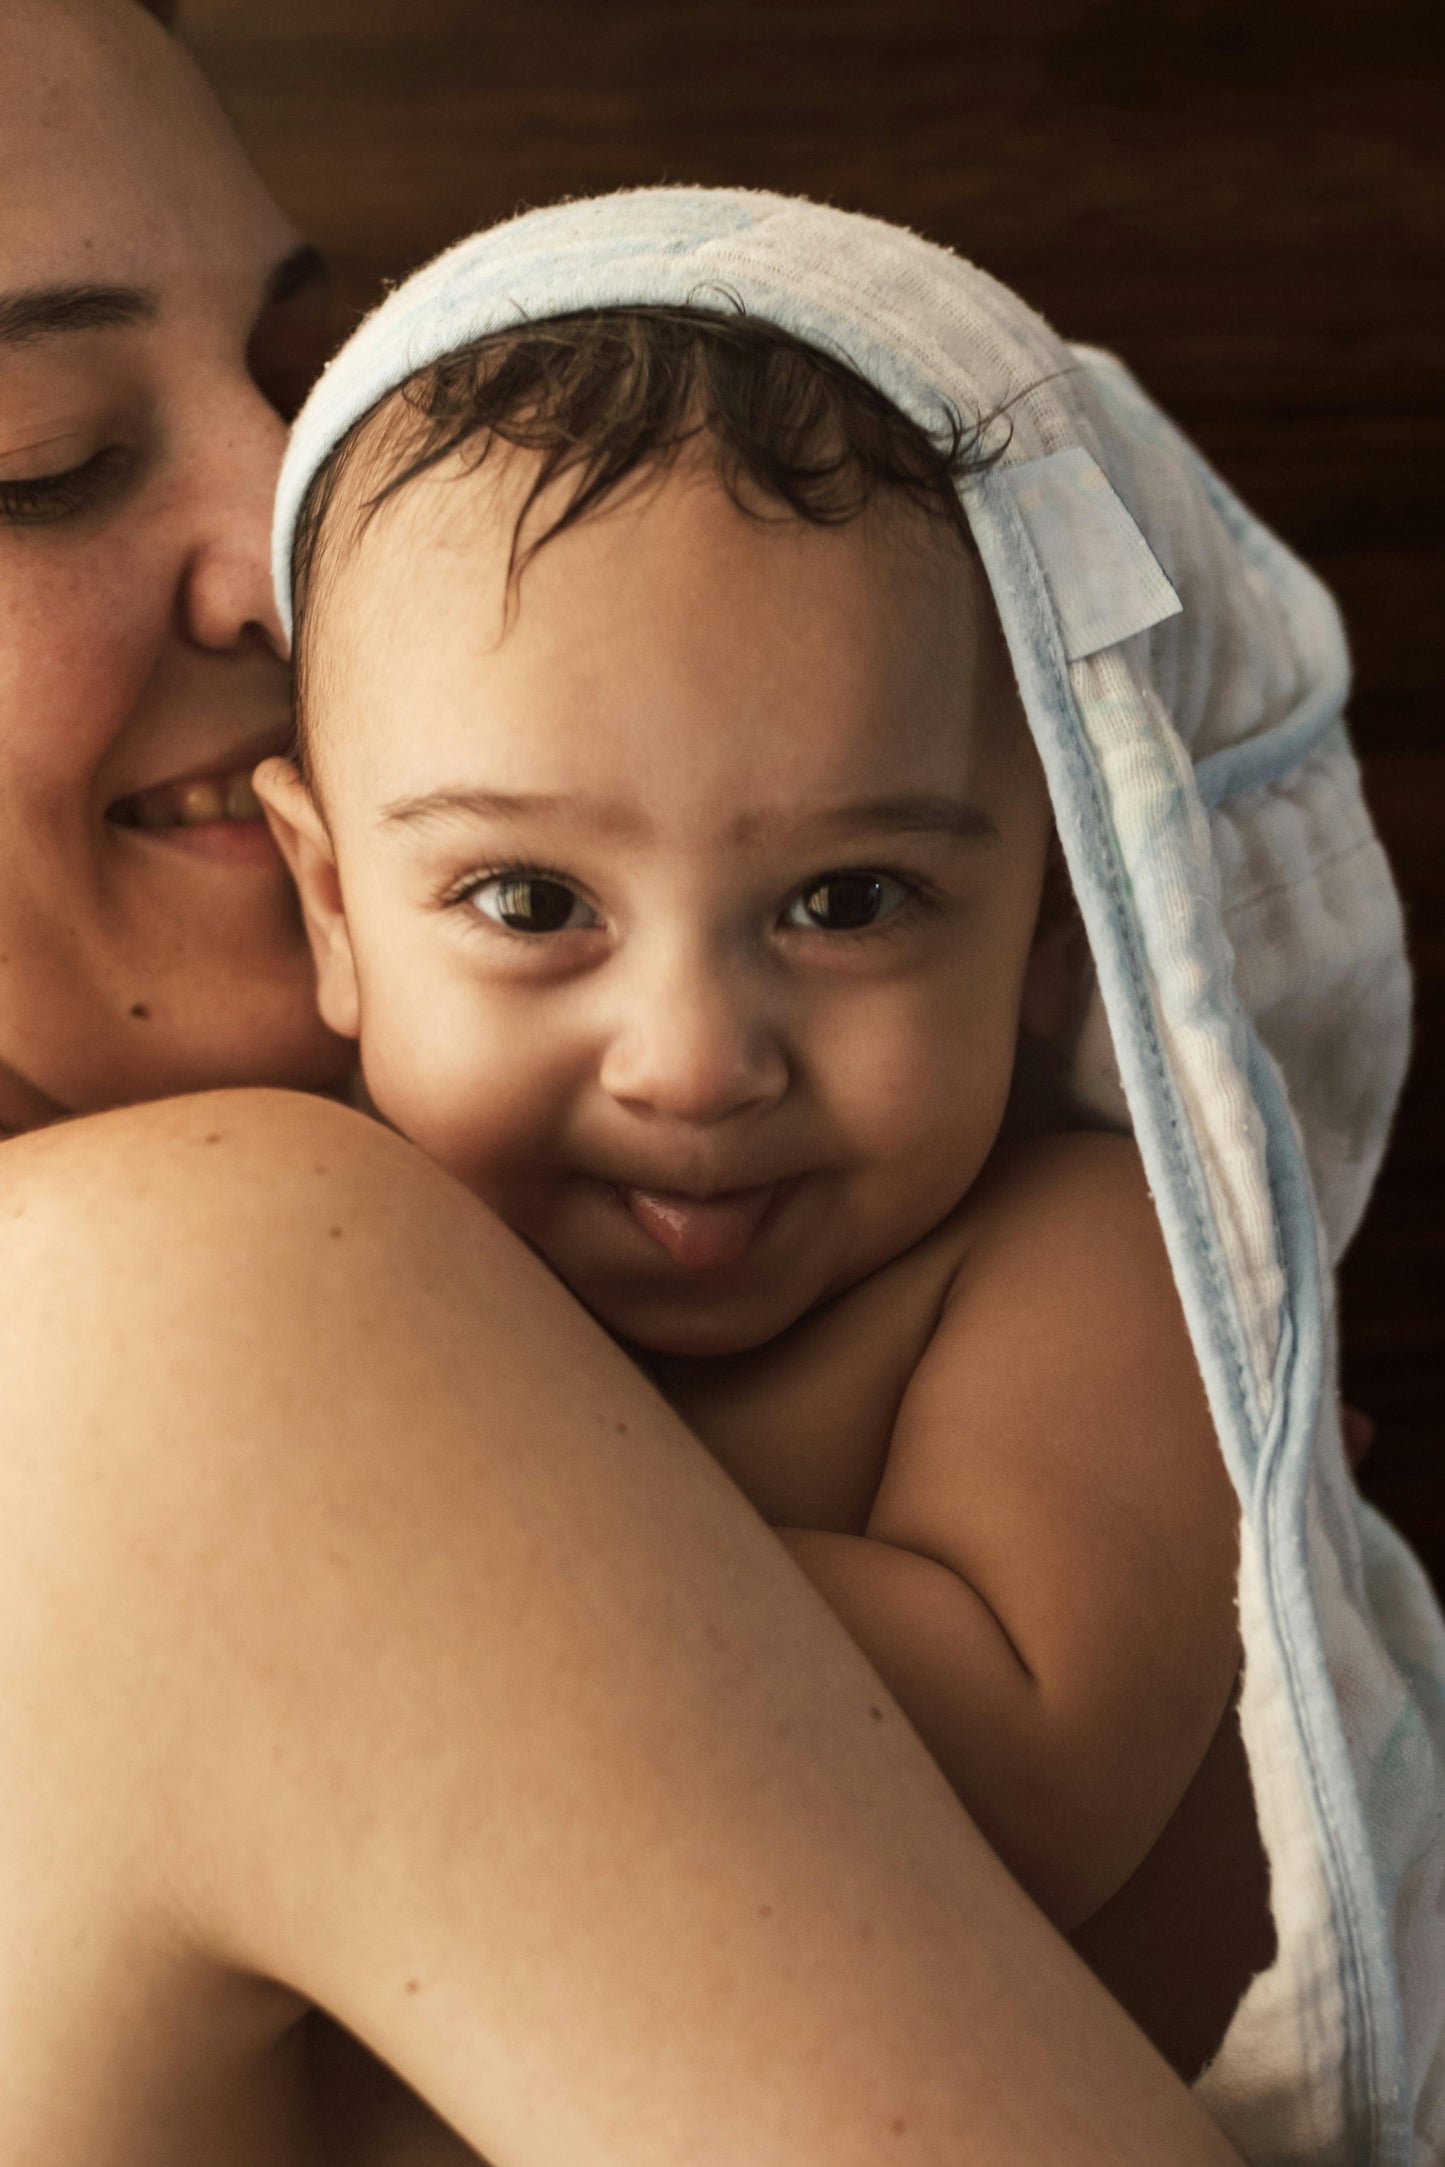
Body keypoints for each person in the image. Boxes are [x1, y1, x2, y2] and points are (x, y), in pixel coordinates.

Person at [0, 4, 1339, 2164]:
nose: (300, 523)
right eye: (39, 449)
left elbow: (1060, 1737)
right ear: (350, 895)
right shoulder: (191, 1317)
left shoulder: (1051, 1247)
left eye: (302, 363)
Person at [255, 296, 1274, 2086]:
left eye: (848, 902)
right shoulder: (330, 1235)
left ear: (1050, 931)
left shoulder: (1066, 1262)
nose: (692, 1058)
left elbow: (1036, 1785)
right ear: (333, 910)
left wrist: (346, 1561)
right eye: (526, 901)